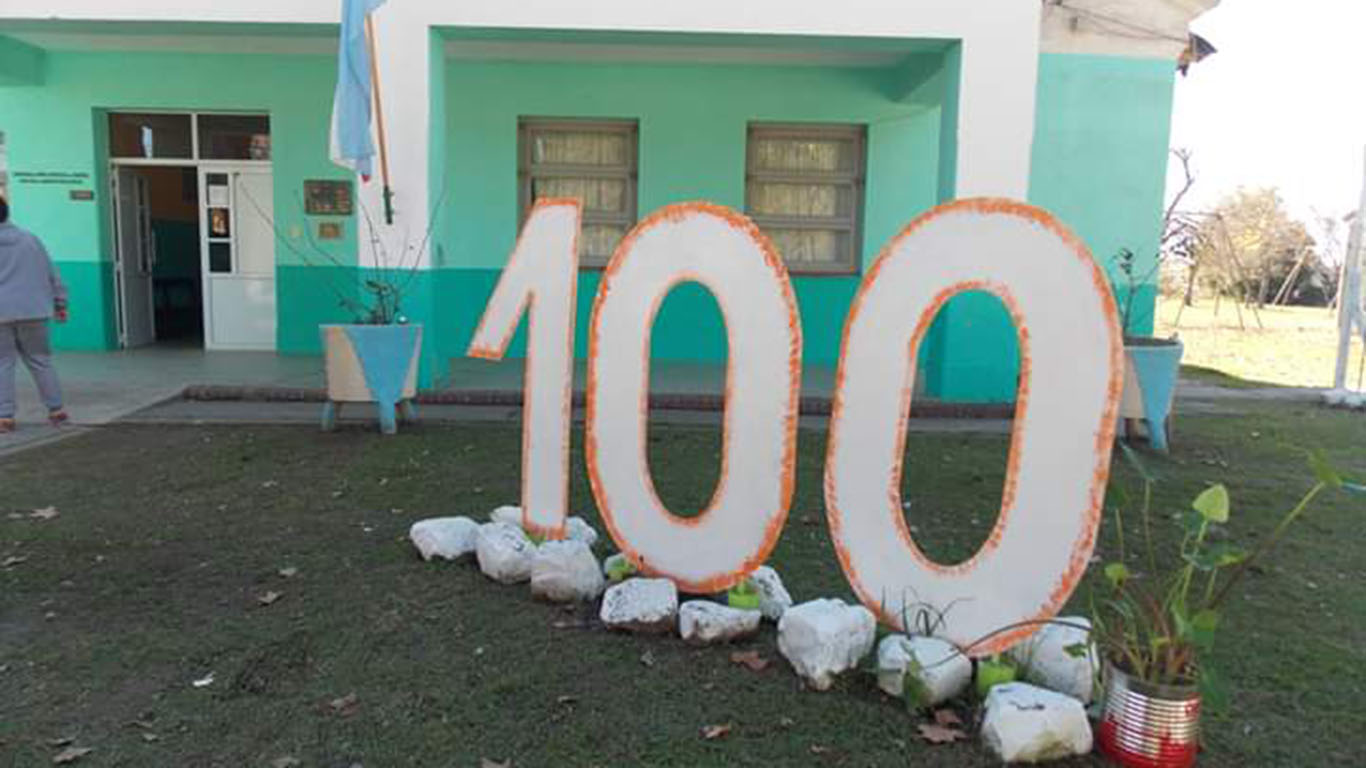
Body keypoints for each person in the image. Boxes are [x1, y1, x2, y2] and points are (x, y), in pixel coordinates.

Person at [0, 196, 68, 432]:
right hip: (34, 311)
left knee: (3, 364)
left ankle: (5, 417)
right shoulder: (30, 240)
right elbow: (52, 273)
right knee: (41, 361)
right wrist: (60, 303)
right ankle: (56, 410)